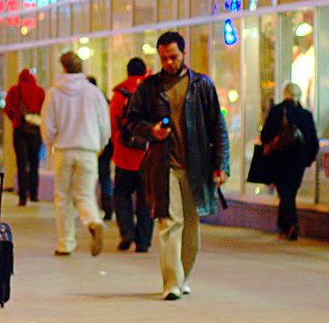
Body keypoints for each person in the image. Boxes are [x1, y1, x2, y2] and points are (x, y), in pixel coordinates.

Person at [127, 31, 229, 300]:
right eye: (163, 58)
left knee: (191, 227)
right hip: (164, 165)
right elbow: (132, 121)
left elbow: (217, 128)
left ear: (184, 54)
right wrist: (151, 131)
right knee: (170, 222)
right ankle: (172, 283)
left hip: (197, 166)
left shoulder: (202, 86)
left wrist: (221, 165)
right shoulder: (149, 87)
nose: (169, 63)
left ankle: (183, 275)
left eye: (173, 57)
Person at [40, 51, 111, 257]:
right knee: (85, 194)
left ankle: (65, 243)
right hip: (88, 150)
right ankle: (93, 221)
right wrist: (100, 144)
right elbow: (104, 124)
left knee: (63, 197)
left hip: (64, 150)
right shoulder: (94, 93)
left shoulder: (54, 93)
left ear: (63, 68)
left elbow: (47, 124)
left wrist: (51, 143)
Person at [260, 82, 320, 241]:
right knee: (289, 192)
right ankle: (286, 226)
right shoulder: (306, 115)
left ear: (285, 94)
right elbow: (313, 141)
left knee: (285, 192)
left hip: (280, 159)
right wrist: (308, 160)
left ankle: (289, 225)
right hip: (298, 161)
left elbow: (265, 136)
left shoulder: (277, 111)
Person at [110, 57, 153, 253]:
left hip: (124, 155)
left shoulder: (120, 94)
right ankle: (143, 241)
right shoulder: (151, 92)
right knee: (146, 199)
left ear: (127, 72)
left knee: (121, 194)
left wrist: (117, 146)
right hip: (147, 155)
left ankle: (127, 231)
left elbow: (114, 125)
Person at [3, 69, 46, 206]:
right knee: (34, 163)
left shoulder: (14, 90)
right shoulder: (40, 91)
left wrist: (15, 119)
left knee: (21, 164)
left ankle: (22, 196)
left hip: (20, 131)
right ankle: (34, 194)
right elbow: (45, 109)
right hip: (36, 131)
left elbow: (7, 108)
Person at [89, 76, 114, 221]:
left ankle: (92, 210)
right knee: (105, 177)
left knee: (90, 179)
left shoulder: (87, 102)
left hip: (92, 145)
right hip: (105, 144)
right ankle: (107, 207)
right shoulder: (103, 100)